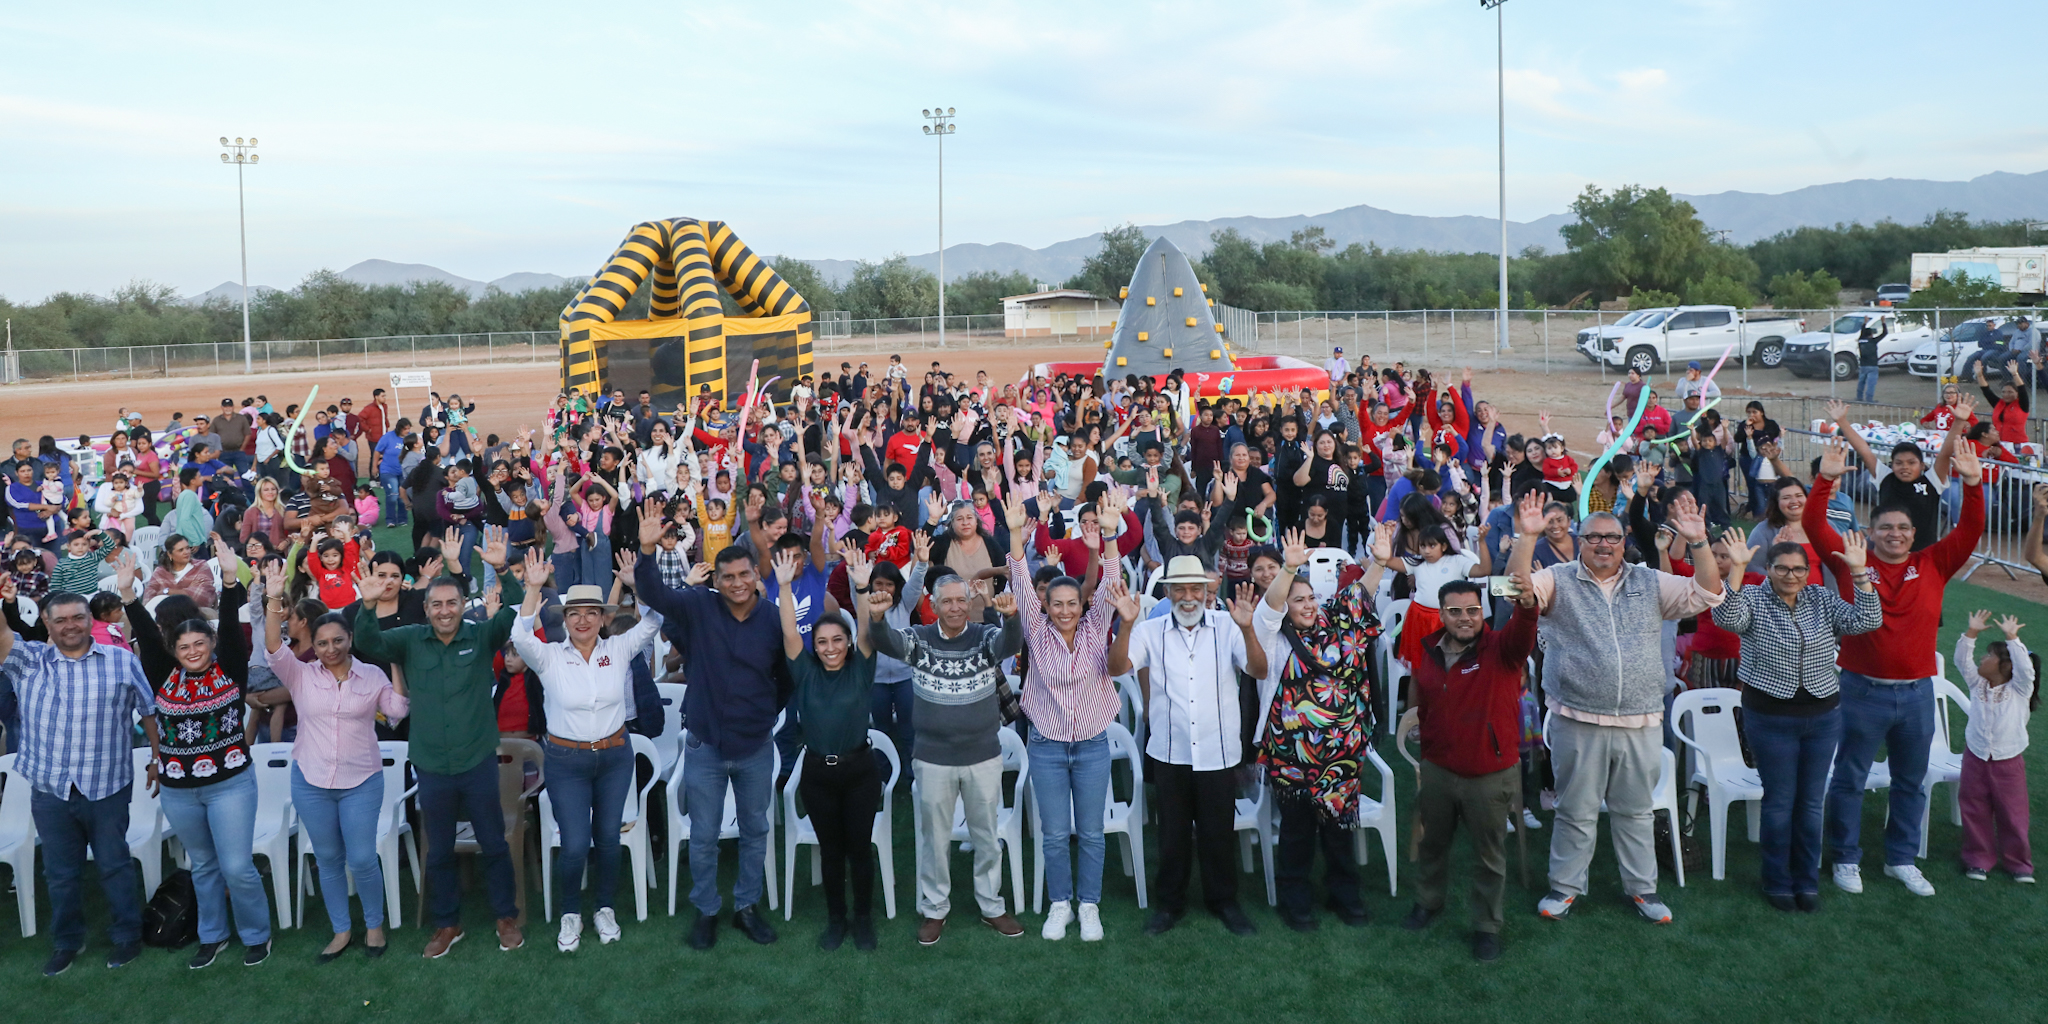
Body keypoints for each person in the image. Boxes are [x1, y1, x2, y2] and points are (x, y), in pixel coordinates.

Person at [1504, 489, 1721, 924]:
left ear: (1625, 542)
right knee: (1574, 810)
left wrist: (1697, 542)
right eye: (1594, 537)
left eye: (1613, 538)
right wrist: (1527, 538)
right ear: (1581, 541)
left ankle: (1643, 890)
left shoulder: (1648, 580)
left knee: (1636, 812)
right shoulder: (1560, 578)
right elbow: (1516, 591)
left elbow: (1707, 593)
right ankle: (1565, 888)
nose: (1604, 544)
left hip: (1639, 718)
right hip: (1577, 717)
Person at [1808, 441, 1985, 898]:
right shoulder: (1852, 563)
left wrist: (1972, 483)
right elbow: (1813, 524)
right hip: (1861, 691)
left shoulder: (1933, 563)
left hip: (1917, 695)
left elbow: (1970, 529)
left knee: (1912, 780)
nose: (1895, 534)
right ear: (1870, 532)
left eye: (1903, 528)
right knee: (1848, 778)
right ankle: (1846, 858)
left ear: (1913, 533)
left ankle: (1901, 859)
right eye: (1885, 527)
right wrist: (1825, 481)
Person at [351, 525, 526, 957]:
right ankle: (448, 924)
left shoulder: (481, 636)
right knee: (441, 849)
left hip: (477, 761)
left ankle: (506, 915)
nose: (445, 611)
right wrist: (369, 602)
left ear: (463, 606)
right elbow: (367, 640)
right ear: (425, 608)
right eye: (437, 604)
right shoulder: (410, 640)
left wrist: (501, 568)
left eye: (452, 603)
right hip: (431, 764)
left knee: (494, 843)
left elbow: (517, 607)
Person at [630, 498, 785, 950]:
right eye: (728, 577)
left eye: (744, 575)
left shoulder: (772, 619)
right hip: (705, 744)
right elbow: (656, 596)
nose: (737, 583)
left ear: (757, 576)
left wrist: (766, 713)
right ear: (716, 580)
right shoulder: (699, 606)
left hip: (755, 744)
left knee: (756, 829)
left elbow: (788, 677)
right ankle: (706, 909)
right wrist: (644, 553)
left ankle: (746, 906)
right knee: (703, 834)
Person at [0, 581, 163, 976]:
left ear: (90, 620)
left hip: (106, 784)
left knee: (114, 864)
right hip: (50, 788)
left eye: (77, 617)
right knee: (59, 873)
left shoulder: (121, 661)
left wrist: (158, 757)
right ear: (46, 622)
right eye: (61, 620)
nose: (70, 625)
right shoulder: (28, 659)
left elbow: (148, 711)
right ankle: (67, 942)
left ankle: (127, 937)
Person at [1713, 533, 1881, 912]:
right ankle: (1776, 881)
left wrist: (1859, 573)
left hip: (1822, 716)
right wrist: (1737, 569)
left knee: (1810, 804)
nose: (1792, 575)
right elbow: (1727, 617)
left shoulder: (1821, 598)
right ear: (1768, 570)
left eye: (1799, 569)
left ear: (1808, 572)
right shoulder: (1753, 597)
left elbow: (1868, 619)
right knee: (1779, 802)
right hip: (1770, 717)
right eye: (1783, 568)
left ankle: (1805, 880)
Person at [508, 550, 664, 954]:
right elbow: (522, 636)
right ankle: (571, 912)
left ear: (602, 617)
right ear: (565, 618)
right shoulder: (549, 657)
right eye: (574, 612)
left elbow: (653, 621)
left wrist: (637, 584)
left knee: (609, 839)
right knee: (575, 843)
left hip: (614, 757)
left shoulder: (620, 649)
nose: (582, 620)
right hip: (567, 761)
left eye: (591, 612)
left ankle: (605, 908)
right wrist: (532, 588)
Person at [1107, 554, 1268, 938]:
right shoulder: (1149, 629)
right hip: (1170, 749)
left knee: (1218, 832)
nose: (1189, 596)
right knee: (1172, 835)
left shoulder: (1230, 626)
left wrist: (1248, 630)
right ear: (1167, 592)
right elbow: (1116, 668)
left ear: (1209, 590)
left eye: (1196, 588)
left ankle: (1224, 901)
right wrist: (1126, 626)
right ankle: (1170, 905)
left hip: (1217, 750)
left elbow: (1259, 670)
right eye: (1180, 588)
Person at [867, 565, 1025, 946]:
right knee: (934, 837)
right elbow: (887, 642)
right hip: (933, 757)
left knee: (986, 836)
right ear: (933, 605)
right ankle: (935, 909)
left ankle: (991, 905)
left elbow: (1010, 646)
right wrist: (875, 619)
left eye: (960, 600)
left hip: (983, 755)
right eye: (946, 601)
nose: (955, 607)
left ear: (970, 602)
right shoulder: (919, 639)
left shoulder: (986, 635)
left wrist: (1012, 617)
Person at [260, 561, 407, 962]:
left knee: (361, 858)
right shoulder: (301, 674)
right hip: (310, 781)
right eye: (322, 643)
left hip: (361, 780)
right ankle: (341, 930)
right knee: (327, 859)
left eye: (338, 641)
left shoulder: (371, 675)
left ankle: (373, 926)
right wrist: (275, 598)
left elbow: (395, 711)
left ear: (349, 639)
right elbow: (273, 646)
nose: (330, 649)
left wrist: (394, 661)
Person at [1251, 528, 1385, 932]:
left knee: (1339, 827)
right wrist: (1289, 568)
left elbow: (1360, 596)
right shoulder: (1274, 636)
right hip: (1291, 755)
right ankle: (1296, 900)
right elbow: (1270, 605)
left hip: (1342, 752)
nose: (1307, 606)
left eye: (1310, 598)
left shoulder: (1337, 625)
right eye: (1298, 600)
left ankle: (1345, 895)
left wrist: (1378, 561)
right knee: (1296, 830)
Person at [1000, 491, 1119, 942]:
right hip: (1047, 745)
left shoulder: (1094, 628)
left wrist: (1108, 535)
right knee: (1053, 834)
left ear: (1081, 605)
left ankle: (1089, 906)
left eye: (1072, 603)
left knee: (1089, 832)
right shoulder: (1036, 629)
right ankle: (1060, 905)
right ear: (1046, 607)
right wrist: (1015, 535)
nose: (1065, 610)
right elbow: (1019, 577)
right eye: (1057, 604)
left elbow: (1110, 580)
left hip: (1091, 744)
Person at [1404, 573, 1539, 962]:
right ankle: (1428, 903)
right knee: (1432, 845)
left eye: (1473, 610)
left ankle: (1486, 927)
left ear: (1483, 612)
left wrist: (1527, 605)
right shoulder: (1429, 650)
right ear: (1442, 615)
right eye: (1456, 611)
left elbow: (1525, 628)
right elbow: (1424, 697)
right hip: (1439, 770)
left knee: (1488, 855)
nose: (1466, 618)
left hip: (1489, 773)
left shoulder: (1502, 648)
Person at [778, 546, 882, 951]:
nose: (831, 647)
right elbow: (789, 632)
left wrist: (861, 587)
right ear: (815, 646)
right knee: (831, 850)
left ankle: (863, 920)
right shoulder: (804, 672)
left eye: (837, 639)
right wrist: (785, 587)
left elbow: (866, 629)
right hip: (818, 774)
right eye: (822, 641)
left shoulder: (861, 667)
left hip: (860, 772)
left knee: (859, 848)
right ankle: (836, 919)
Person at [1953, 610, 2035, 883]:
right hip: (1975, 757)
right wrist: (1971, 633)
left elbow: (2025, 668)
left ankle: (2019, 864)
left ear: (2005, 665)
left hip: (2008, 762)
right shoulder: (1977, 685)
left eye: (1988, 656)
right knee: (1974, 808)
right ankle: (1978, 859)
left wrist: (2012, 638)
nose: (1982, 659)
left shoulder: (2020, 689)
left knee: (2013, 813)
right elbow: (1961, 660)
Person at [1855, 317, 1888, 403]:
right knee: (1871, 384)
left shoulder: (1860, 340)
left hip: (1863, 365)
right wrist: (1883, 323)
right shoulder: (1873, 341)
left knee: (1861, 382)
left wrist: (1864, 323)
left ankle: (1859, 397)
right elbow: (1885, 333)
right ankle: (1869, 399)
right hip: (1872, 365)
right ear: (1871, 334)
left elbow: (1862, 333)